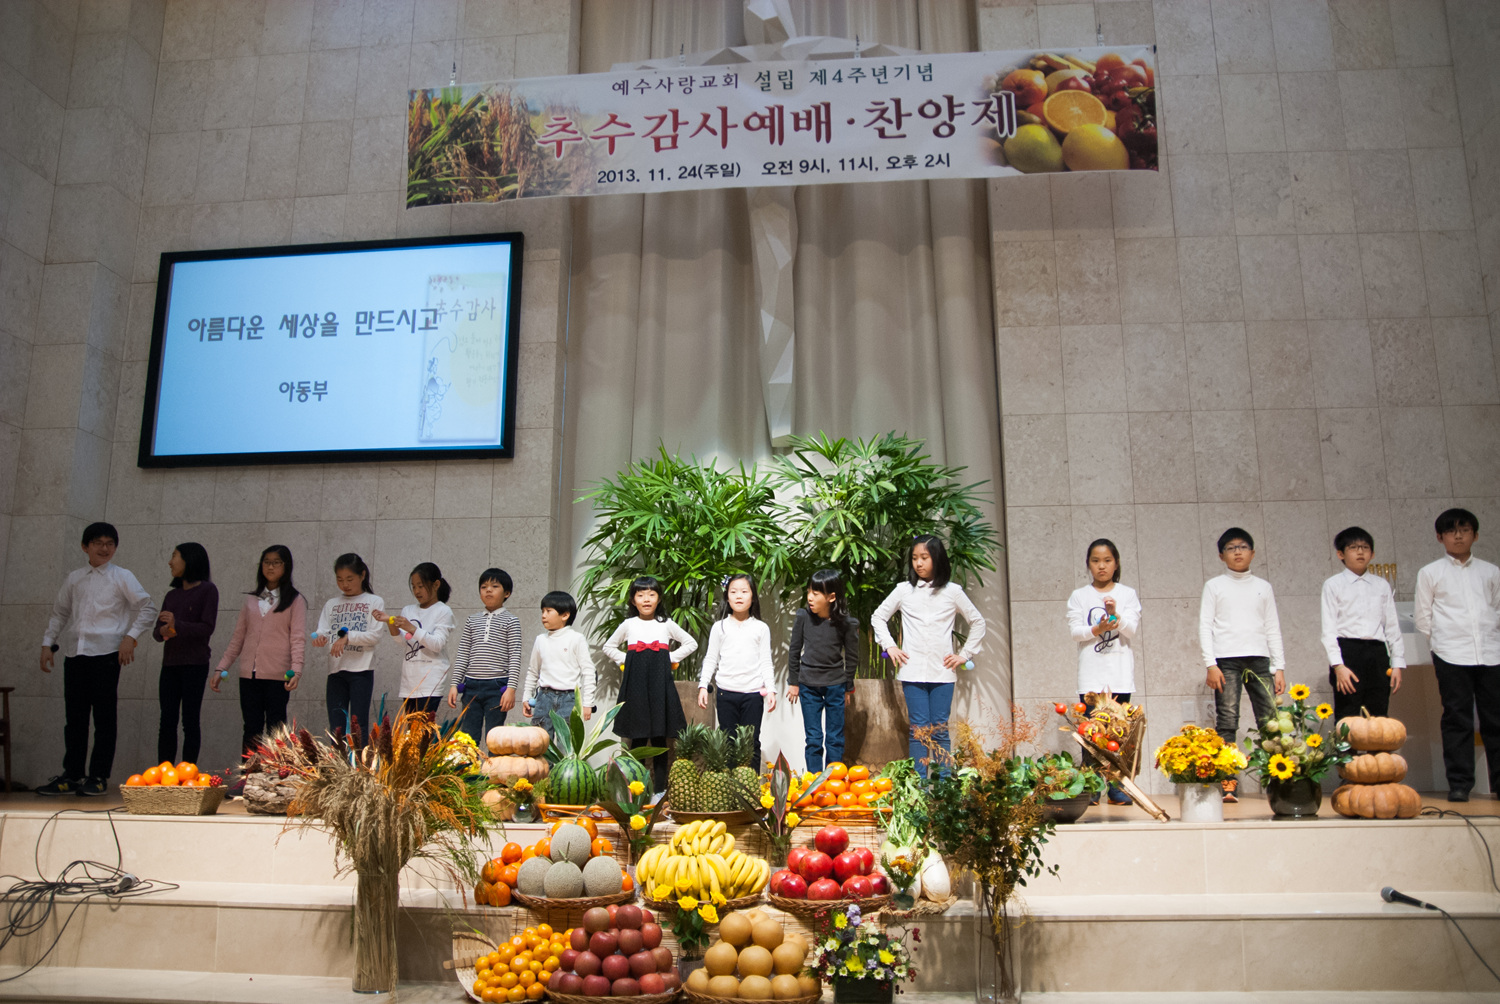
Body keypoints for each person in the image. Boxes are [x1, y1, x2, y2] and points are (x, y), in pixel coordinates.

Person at [37, 522, 157, 796]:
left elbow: (147, 608)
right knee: (74, 719)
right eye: (98, 543)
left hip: (106, 654)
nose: (104, 548)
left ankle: (99, 776)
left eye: (109, 544)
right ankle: (72, 775)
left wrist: (130, 637)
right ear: (85, 547)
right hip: (75, 653)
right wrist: (47, 644)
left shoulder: (122, 576)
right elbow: (59, 613)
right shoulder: (74, 578)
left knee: (104, 718)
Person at [872, 534, 987, 778]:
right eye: (914, 558)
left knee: (940, 730)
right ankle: (920, 788)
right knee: (919, 731)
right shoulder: (904, 590)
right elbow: (878, 617)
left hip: (942, 672)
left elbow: (977, 622)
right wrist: (890, 646)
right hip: (912, 671)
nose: (919, 563)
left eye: (924, 557)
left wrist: (964, 654)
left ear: (937, 558)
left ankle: (944, 789)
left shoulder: (952, 592)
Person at [1414, 508, 1500, 803]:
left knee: (1496, 718)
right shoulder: (1430, 573)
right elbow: (1423, 618)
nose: (1459, 536)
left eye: (1465, 530)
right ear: (1440, 537)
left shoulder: (1491, 571)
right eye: (1451, 531)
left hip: (1491, 654)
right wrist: (1442, 644)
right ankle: (1460, 784)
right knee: (1457, 718)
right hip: (1451, 654)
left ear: (1475, 535)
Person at [1200, 527, 1285, 803]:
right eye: (1231, 548)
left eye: (1243, 547)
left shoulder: (1263, 587)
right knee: (1227, 721)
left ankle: (1277, 780)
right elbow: (1205, 626)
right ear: (1221, 556)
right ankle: (1228, 782)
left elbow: (1272, 627)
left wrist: (1279, 666)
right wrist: (1210, 664)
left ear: (1253, 553)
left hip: (1260, 659)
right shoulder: (1214, 586)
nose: (1237, 552)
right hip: (1226, 661)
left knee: (1270, 722)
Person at [604, 575, 698, 794]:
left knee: (659, 738)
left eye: (651, 594)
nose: (646, 599)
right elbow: (608, 647)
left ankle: (659, 791)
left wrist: (669, 658)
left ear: (659, 598)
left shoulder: (666, 624)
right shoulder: (629, 624)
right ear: (633, 600)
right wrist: (628, 659)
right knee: (637, 737)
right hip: (635, 685)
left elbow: (690, 643)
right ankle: (635, 791)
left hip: (659, 685)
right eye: (640, 595)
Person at [1066, 538, 1141, 805]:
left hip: (1119, 675)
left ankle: (1118, 788)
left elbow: (1132, 630)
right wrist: (1097, 628)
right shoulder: (1079, 596)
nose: (1102, 566)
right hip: (1091, 676)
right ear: (1088, 564)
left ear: (1116, 563)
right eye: (1096, 561)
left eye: (1107, 560)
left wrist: (1115, 615)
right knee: (1091, 735)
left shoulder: (1127, 594)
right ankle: (1093, 787)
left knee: (1119, 734)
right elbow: (1076, 632)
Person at [214, 545, 306, 759]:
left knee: (276, 729)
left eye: (276, 562)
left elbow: (298, 638)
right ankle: (248, 773)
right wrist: (221, 667)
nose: (270, 567)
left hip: (278, 675)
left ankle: (276, 774)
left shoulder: (295, 600)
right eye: (266, 562)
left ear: (286, 566)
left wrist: (296, 670)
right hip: (249, 675)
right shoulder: (250, 599)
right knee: (251, 728)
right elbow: (238, 638)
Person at [1321, 526, 1405, 723]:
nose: (1360, 552)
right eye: (1353, 547)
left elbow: (1392, 628)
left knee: (1378, 715)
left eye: (1365, 547)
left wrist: (1397, 663)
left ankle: (1377, 746)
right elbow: (1329, 630)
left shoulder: (1381, 585)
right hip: (1348, 652)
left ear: (1372, 554)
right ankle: (1347, 746)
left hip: (1377, 653)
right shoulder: (1333, 584)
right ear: (1340, 554)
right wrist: (1338, 666)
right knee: (1347, 715)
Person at [698, 574, 776, 768]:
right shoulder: (719, 627)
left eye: (744, 591)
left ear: (753, 596)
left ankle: (752, 785)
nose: (738, 596)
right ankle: (729, 784)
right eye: (733, 592)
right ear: (727, 597)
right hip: (726, 693)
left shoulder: (761, 628)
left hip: (753, 694)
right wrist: (703, 685)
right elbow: (711, 658)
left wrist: (771, 689)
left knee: (751, 743)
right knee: (728, 742)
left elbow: (766, 661)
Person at [152, 542, 218, 766]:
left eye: (174, 556)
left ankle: (188, 771)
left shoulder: (208, 590)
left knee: (190, 721)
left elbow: (206, 628)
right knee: (166, 721)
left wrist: (176, 624)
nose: (170, 562)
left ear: (189, 559)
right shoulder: (172, 595)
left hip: (194, 665)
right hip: (170, 664)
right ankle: (164, 770)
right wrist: (163, 631)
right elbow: (157, 632)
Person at [787, 568, 859, 773]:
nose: (810, 597)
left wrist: (848, 687)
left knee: (835, 738)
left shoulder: (846, 623)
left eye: (816, 593)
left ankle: (833, 780)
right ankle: (814, 781)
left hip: (835, 685)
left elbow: (852, 657)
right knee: (813, 738)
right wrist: (793, 682)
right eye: (809, 591)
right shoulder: (803, 617)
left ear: (831, 597)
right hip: (808, 685)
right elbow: (794, 650)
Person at [313, 553, 383, 740]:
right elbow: (323, 630)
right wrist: (320, 638)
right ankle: (338, 759)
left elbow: (374, 635)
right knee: (336, 726)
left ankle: (360, 759)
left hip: (361, 670)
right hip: (336, 670)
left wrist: (347, 637)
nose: (344, 584)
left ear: (362, 575)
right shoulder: (331, 604)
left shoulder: (374, 601)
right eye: (340, 579)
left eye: (350, 579)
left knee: (358, 724)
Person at [448, 568, 521, 743]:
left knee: (495, 737)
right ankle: (470, 763)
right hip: (471, 685)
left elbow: (515, 656)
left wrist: (511, 689)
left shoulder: (511, 621)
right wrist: (454, 684)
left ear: (507, 593)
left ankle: (493, 763)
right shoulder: (472, 620)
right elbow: (463, 653)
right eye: (484, 587)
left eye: (495, 586)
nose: (488, 590)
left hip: (497, 686)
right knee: (468, 736)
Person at [378, 562, 454, 719]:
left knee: (423, 728)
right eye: (414, 587)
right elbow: (402, 642)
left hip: (431, 681)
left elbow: (437, 644)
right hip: (409, 681)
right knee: (411, 729)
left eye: (421, 586)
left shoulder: (443, 611)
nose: (417, 591)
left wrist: (412, 628)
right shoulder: (408, 610)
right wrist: (389, 621)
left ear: (436, 585)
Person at [522, 590, 596, 740]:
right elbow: (533, 671)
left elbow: (589, 671)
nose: (543, 615)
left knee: (566, 744)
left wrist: (588, 703)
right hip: (544, 697)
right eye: (542, 611)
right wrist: (526, 696)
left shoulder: (576, 639)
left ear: (565, 615)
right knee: (541, 743)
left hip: (569, 698)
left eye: (548, 611)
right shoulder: (540, 640)